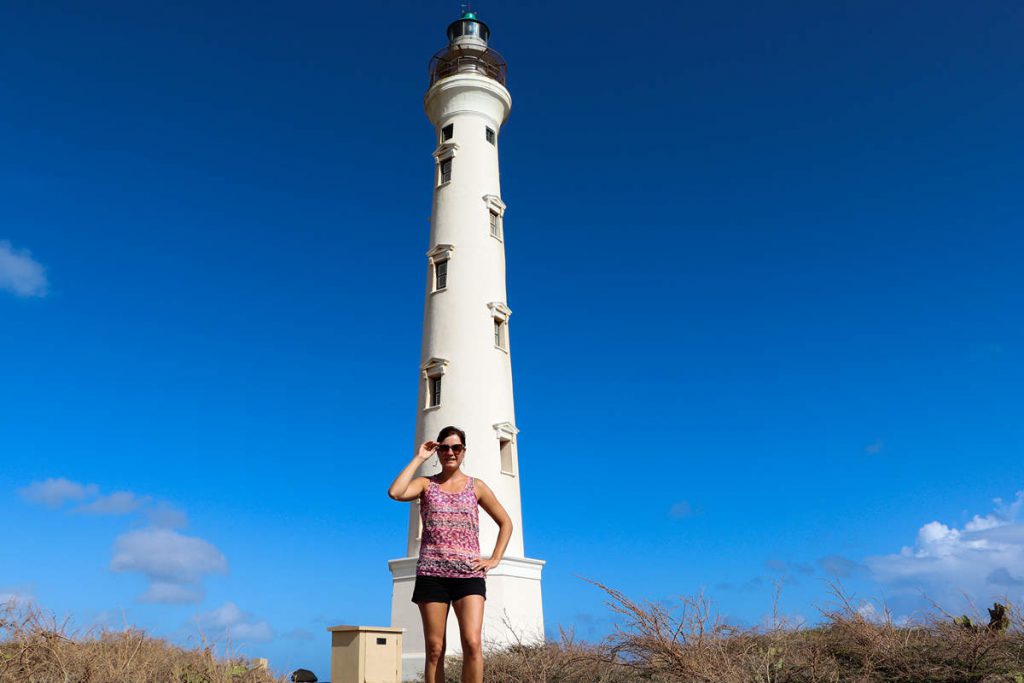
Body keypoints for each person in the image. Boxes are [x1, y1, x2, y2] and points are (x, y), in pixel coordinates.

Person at [388, 425, 513, 683]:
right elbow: (395, 492)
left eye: (456, 448)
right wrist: (419, 457)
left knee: (473, 644)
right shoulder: (426, 484)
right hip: (432, 576)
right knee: (435, 650)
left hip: (469, 575)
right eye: (444, 448)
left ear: (464, 451)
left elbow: (506, 523)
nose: (450, 453)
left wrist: (494, 558)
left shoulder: (476, 486)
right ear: (438, 451)